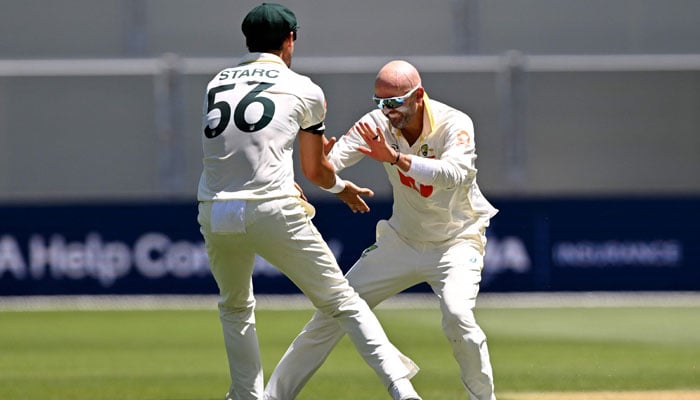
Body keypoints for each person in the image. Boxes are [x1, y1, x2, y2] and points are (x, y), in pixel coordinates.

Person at [197, 4, 422, 400]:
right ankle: (403, 391)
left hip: (214, 209)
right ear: (290, 40)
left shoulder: (216, 83)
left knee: (235, 308)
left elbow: (245, 150)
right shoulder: (304, 88)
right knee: (344, 302)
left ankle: (246, 396)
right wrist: (341, 188)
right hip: (270, 207)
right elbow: (315, 172)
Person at [265, 60, 499, 400]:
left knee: (458, 316)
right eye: (380, 102)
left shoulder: (455, 122)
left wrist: (394, 158)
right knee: (334, 309)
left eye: (394, 102)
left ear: (418, 95)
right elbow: (330, 164)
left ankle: (483, 398)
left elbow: (454, 174)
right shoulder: (376, 123)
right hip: (401, 241)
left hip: (457, 241)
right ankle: (272, 397)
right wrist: (323, 162)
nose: (386, 111)